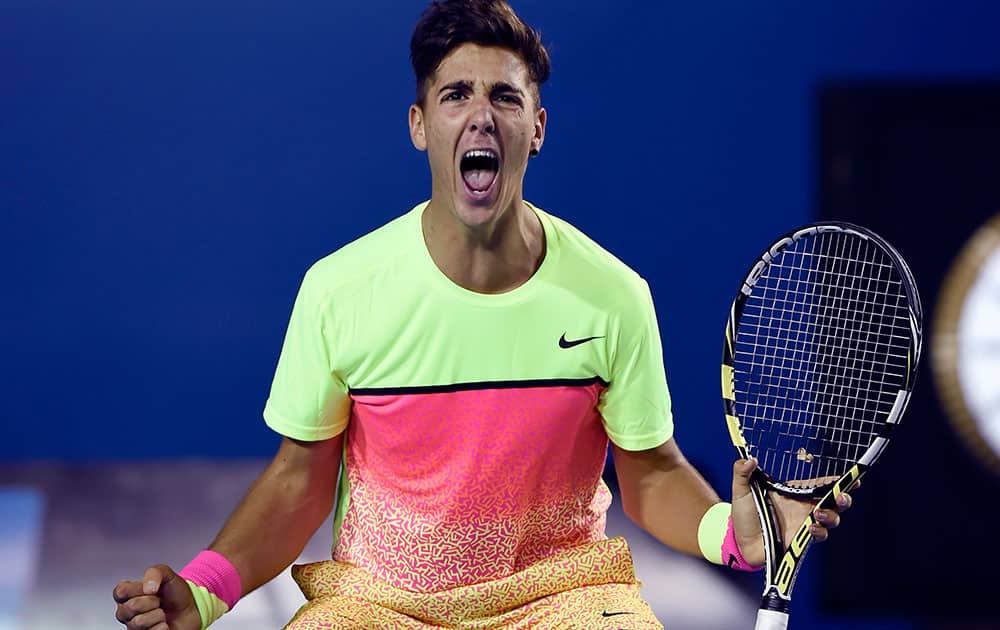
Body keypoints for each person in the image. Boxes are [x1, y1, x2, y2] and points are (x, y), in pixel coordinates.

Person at [113, 1, 853, 628]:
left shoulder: (613, 294)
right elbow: (296, 482)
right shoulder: (340, 289)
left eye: (504, 97)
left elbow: (651, 474)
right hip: (383, 603)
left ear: (536, 127)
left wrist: (735, 534)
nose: (480, 117)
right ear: (418, 124)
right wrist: (204, 593)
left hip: (562, 598)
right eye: (455, 95)